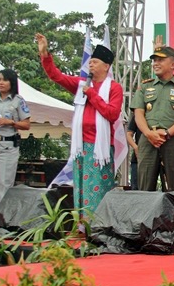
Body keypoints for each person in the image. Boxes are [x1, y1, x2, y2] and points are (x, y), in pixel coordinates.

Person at [37, 33, 122, 214]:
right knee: (81, 189)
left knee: (97, 189)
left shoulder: (114, 88)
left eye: (95, 62)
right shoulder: (81, 84)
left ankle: (97, 228)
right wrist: (45, 55)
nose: (90, 64)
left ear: (106, 66)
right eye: (90, 61)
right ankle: (82, 226)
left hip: (99, 149)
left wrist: (91, 94)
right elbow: (56, 76)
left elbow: (112, 114)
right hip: (80, 146)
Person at [132, 46, 174, 192]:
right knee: (144, 188)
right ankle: (146, 216)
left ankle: (172, 215)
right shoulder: (144, 87)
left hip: (172, 140)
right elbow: (138, 114)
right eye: (154, 60)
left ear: (173, 64)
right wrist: (149, 134)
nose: (156, 63)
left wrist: (167, 134)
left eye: (160, 60)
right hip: (147, 139)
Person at [0, 69, 31, 228]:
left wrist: (10, 122)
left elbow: (27, 124)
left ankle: (3, 222)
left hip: (7, 146)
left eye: (4, 80)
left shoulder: (18, 101)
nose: (0, 83)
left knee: (5, 185)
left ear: (12, 82)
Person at [126, 114, 141, 190]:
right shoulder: (138, 114)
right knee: (135, 188)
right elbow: (129, 134)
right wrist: (135, 147)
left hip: (160, 155)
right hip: (138, 157)